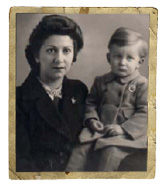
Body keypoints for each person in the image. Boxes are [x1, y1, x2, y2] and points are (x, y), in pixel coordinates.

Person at [66, 27, 148, 171]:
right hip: (100, 130)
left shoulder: (142, 84)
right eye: (117, 56)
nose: (122, 62)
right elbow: (90, 104)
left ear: (139, 62)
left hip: (125, 136)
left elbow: (146, 113)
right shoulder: (100, 81)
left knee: (110, 154)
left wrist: (123, 129)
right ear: (108, 58)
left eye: (129, 58)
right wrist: (92, 120)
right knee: (79, 150)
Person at [16, 15, 88, 172]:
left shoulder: (79, 90)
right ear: (36, 55)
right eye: (51, 50)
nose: (59, 59)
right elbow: (19, 164)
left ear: (74, 55)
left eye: (66, 51)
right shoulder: (17, 100)